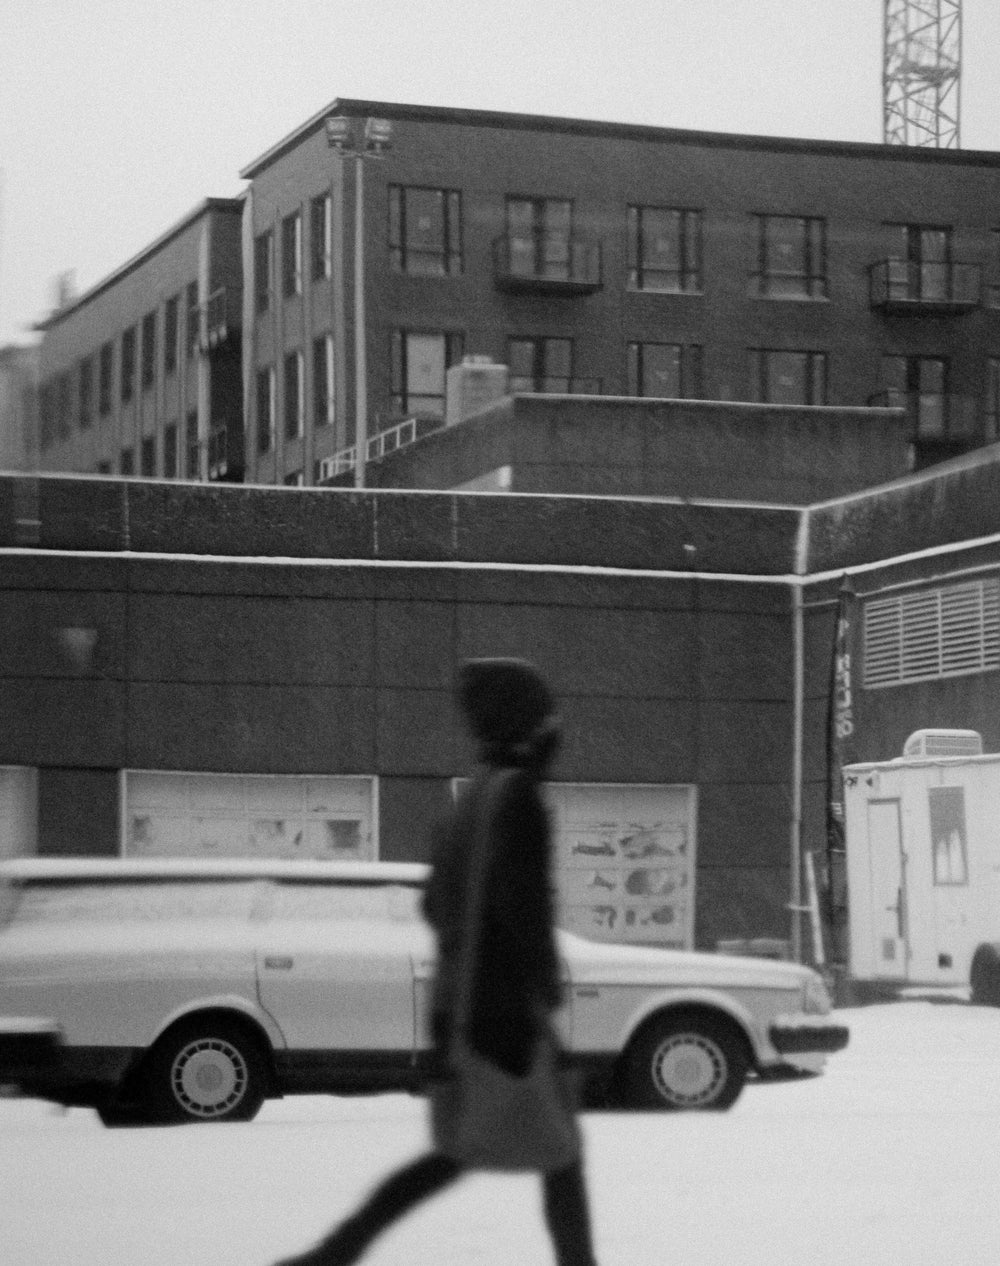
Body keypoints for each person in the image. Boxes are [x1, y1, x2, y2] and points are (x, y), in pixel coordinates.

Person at [273, 658, 600, 1266]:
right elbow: (524, 910)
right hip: (505, 1010)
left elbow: (435, 903)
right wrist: (544, 990)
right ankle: (331, 1254)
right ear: (531, 726)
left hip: (461, 1002)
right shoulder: (519, 798)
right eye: (549, 718)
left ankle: (332, 1254)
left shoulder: (472, 795)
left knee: (465, 1150)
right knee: (552, 1152)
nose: (558, 730)